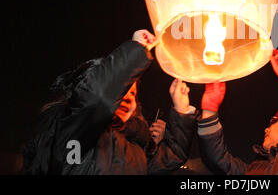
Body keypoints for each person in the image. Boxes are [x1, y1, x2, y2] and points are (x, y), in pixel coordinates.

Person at [22, 30, 197, 175]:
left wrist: (181, 110)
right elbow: (96, 100)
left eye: (133, 94)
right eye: (122, 92)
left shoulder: (135, 145)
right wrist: (136, 51)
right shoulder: (73, 129)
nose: (127, 97)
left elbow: (170, 158)